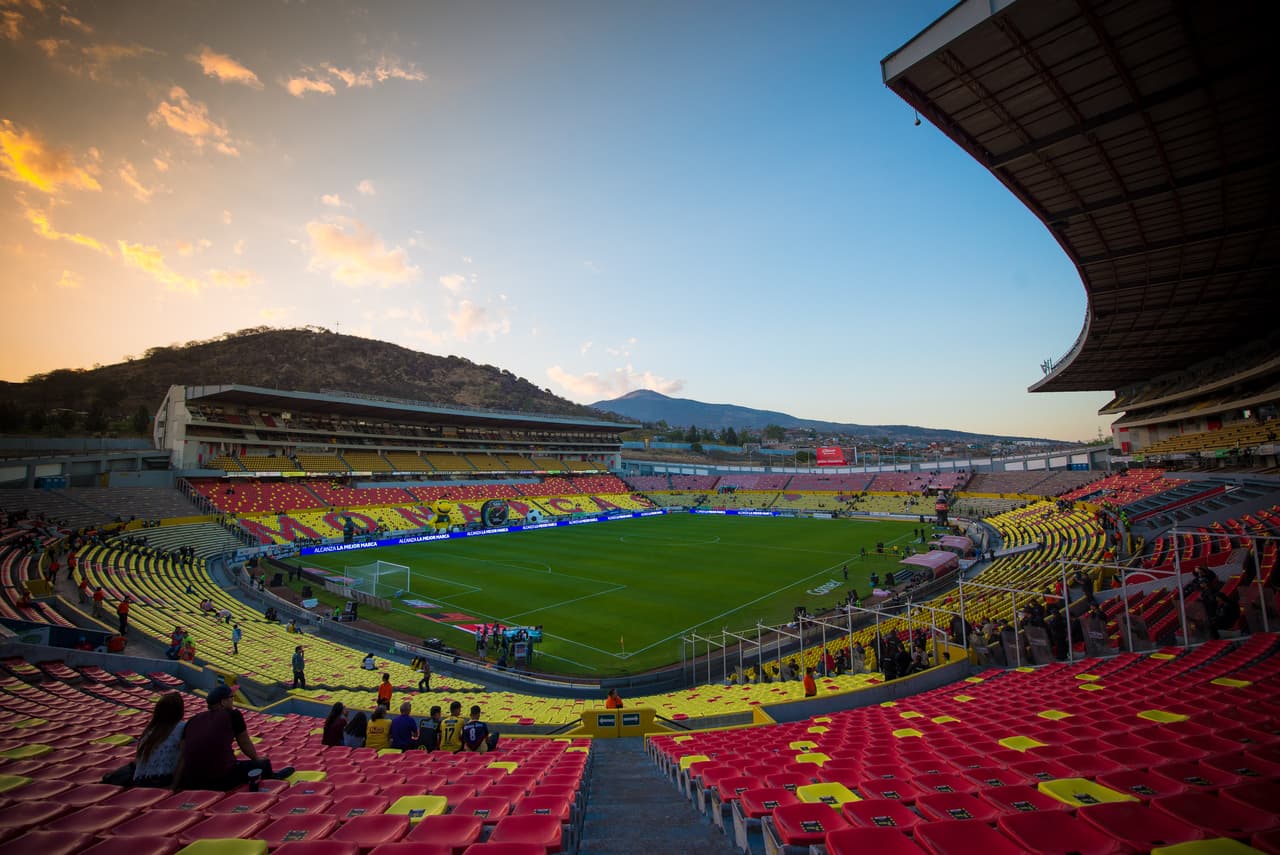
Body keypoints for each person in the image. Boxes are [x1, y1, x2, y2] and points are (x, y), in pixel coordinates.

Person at [174, 685, 293, 791]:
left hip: (191, 779)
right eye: (231, 698)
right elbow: (244, 743)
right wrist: (256, 759)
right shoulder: (232, 715)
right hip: (222, 778)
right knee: (264, 764)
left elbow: (183, 753)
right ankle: (273, 777)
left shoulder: (193, 720)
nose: (233, 701)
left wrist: (174, 784)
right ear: (223, 702)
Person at [133, 692, 186, 787]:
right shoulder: (182, 727)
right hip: (162, 780)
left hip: (139, 781)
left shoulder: (149, 730)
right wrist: (173, 786)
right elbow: (184, 758)